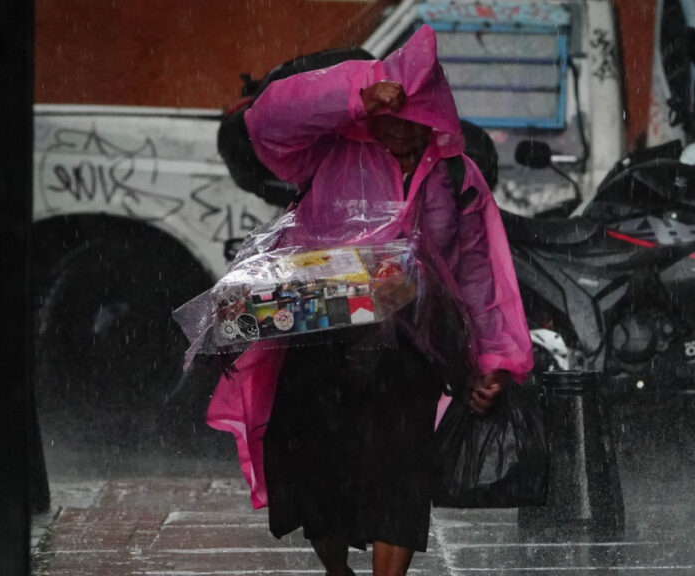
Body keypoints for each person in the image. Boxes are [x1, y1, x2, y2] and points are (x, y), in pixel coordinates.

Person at [205, 25, 533, 576]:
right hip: (321, 340)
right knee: (314, 476)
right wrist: (357, 90)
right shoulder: (329, 152)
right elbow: (266, 120)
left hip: (409, 352)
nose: (398, 130)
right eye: (387, 116)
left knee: (400, 477)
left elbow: (480, 276)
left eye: (413, 119)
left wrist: (492, 362)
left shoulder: (456, 176)